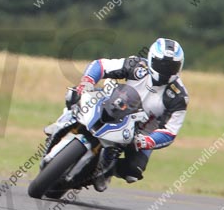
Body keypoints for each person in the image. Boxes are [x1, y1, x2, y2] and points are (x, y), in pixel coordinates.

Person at [72, 37, 189, 192]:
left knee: (133, 171)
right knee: (73, 96)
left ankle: (104, 171)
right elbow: (101, 65)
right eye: (161, 63)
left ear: (179, 67)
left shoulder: (179, 96)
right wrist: (87, 81)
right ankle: (63, 124)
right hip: (113, 105)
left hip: (141, 131)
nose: (165, 69)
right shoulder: (136, 65)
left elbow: (170, 131)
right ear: (151, 58)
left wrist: (148, 141)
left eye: (171, 66)